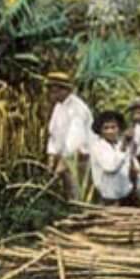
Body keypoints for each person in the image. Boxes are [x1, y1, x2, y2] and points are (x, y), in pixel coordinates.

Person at [45, 71, 96, 200]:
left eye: (54, 90)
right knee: (68, 193)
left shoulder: (77, 108)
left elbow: (75, 139)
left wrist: (64, 161)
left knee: (79, 194)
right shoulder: (58, 107)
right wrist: (52, 155)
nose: (51, 93)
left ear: (65, 90)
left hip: (80, 159)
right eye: (50, 90)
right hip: (65, 157)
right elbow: (53, 133)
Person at [89, 111, 136, 205]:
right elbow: (110, 168)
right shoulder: (98, 147)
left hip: (126, 194)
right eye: (106, 128)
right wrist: (124, 146)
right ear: (100, 130)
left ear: (119, 128)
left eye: (113, 127)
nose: (110, 131)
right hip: (109, 197)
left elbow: (131, 165)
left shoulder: (120, 144)